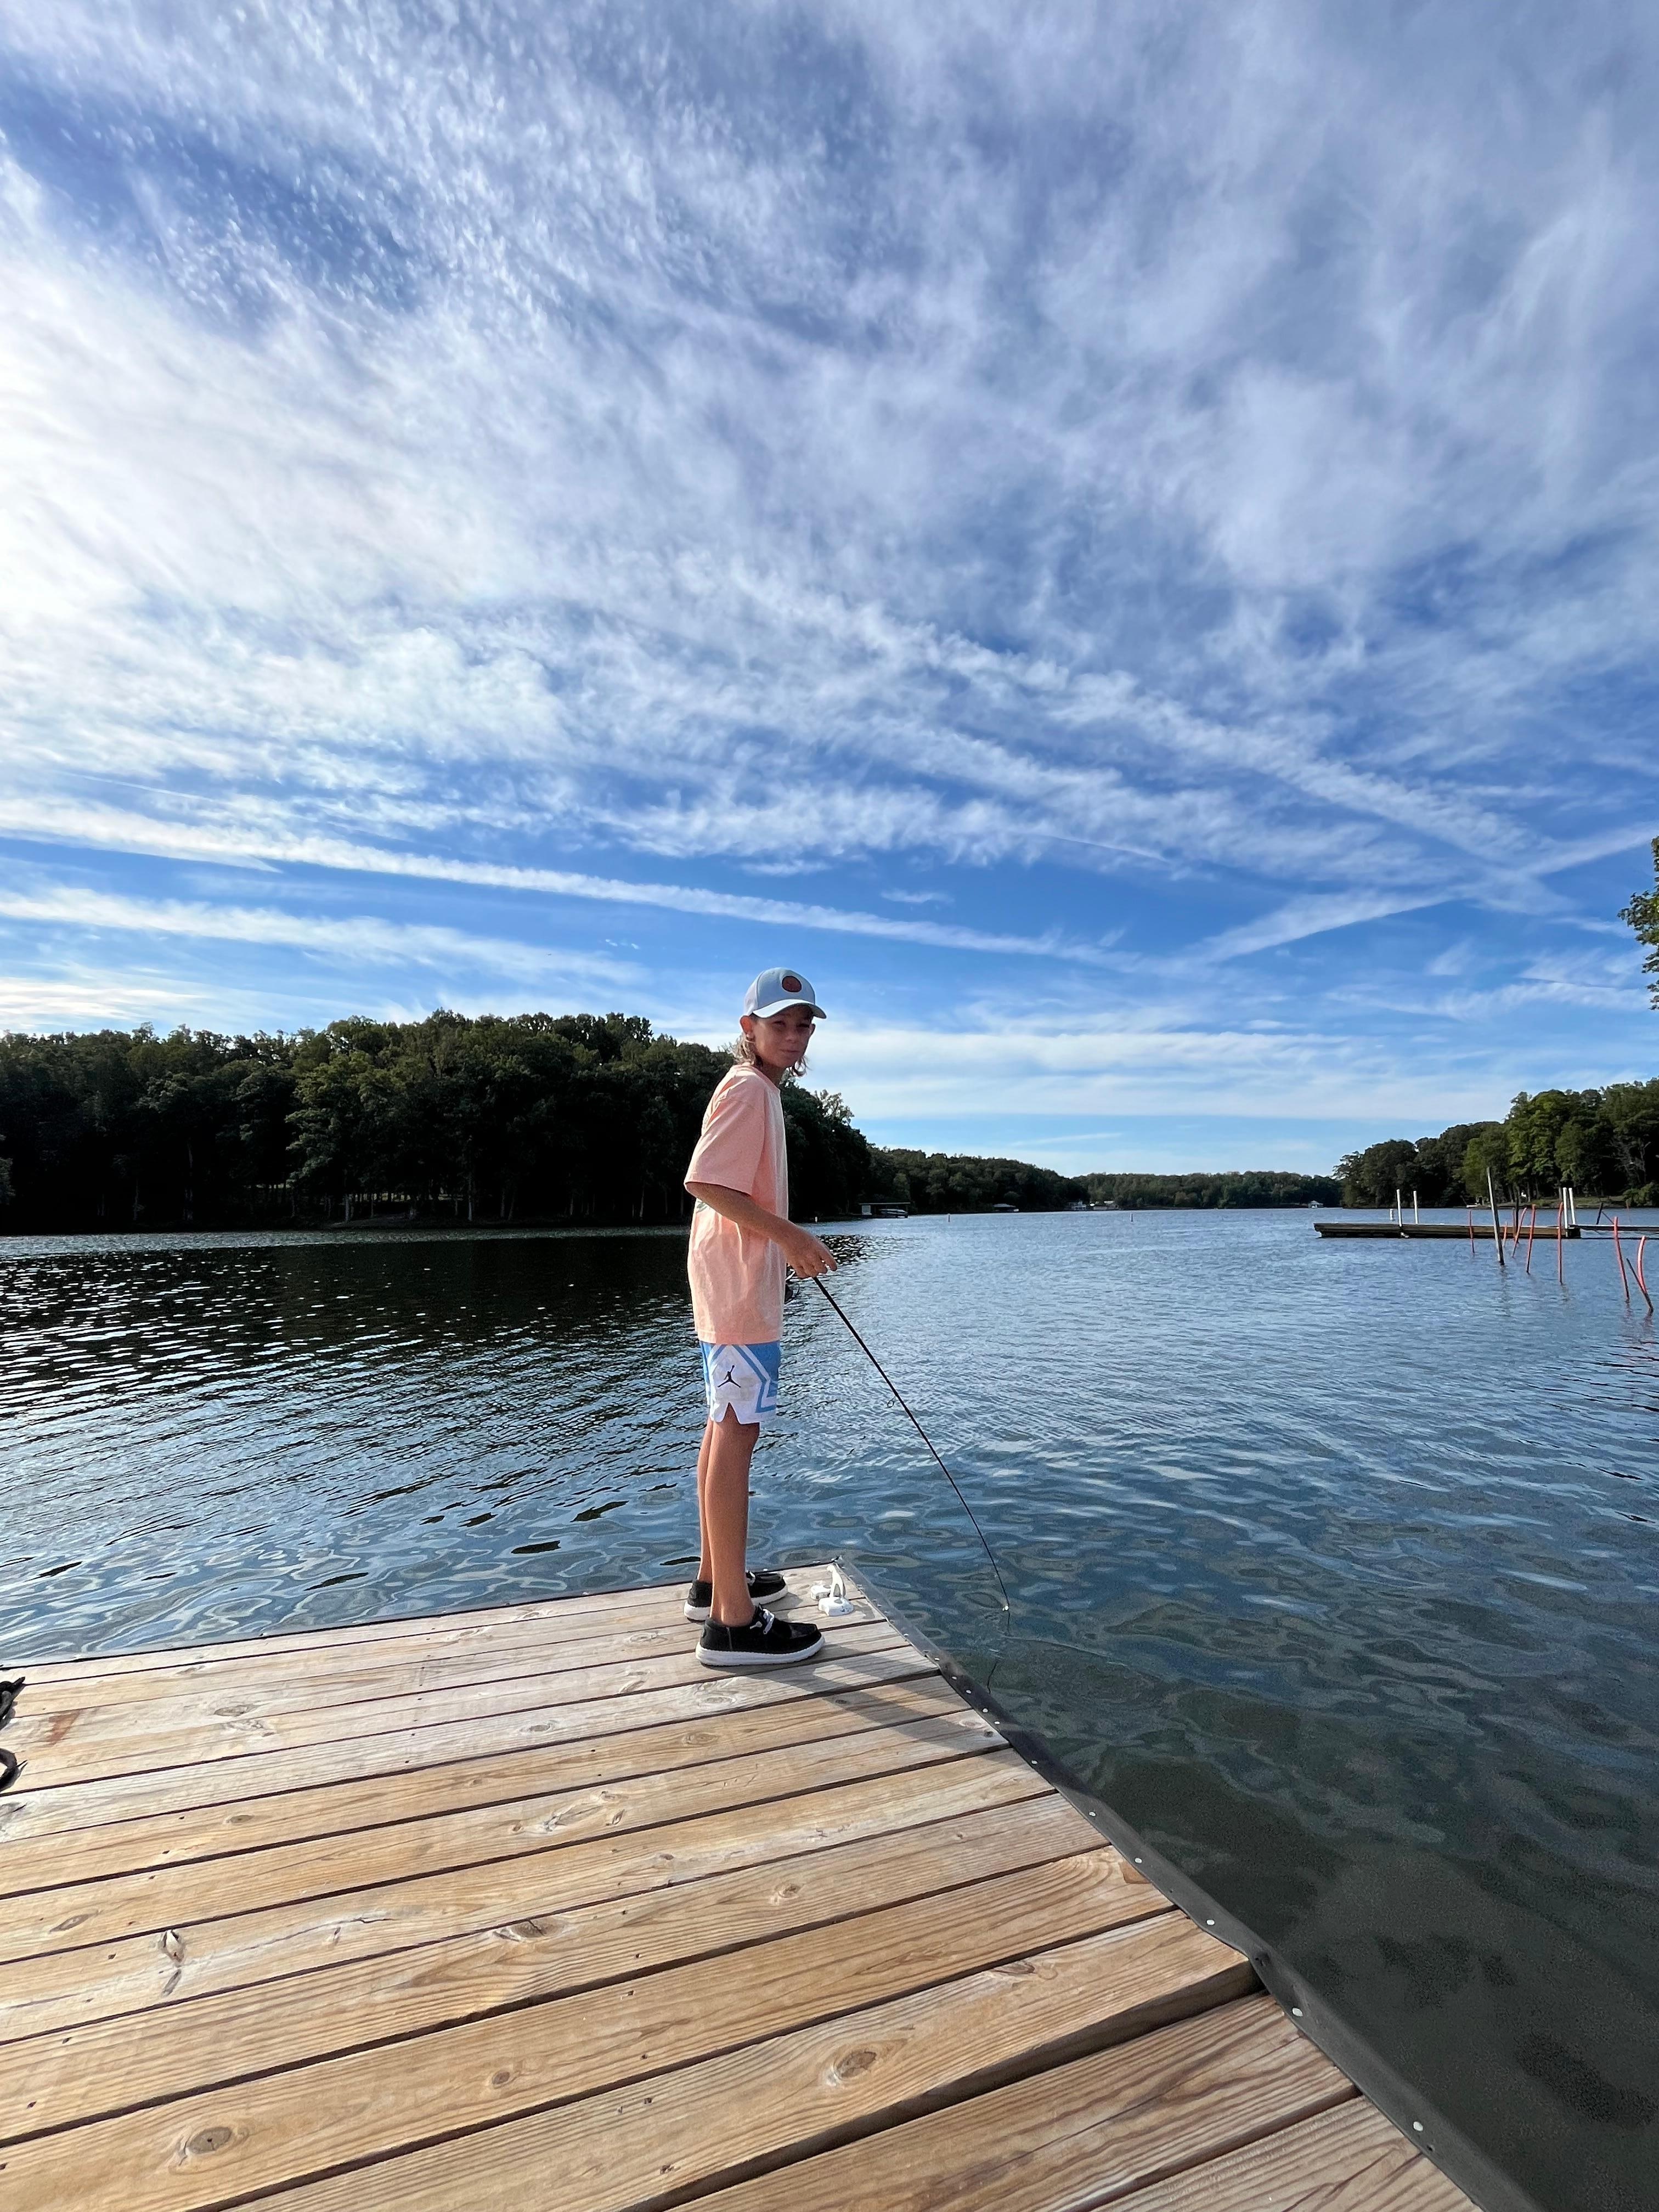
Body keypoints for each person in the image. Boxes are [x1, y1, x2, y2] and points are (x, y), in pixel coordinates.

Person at [682, 966, 838, 1666]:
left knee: (726, 1425)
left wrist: (782, 1243)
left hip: (734, 1282)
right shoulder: (748, 1088)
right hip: (738, 1287)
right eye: (780, 1024)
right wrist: (791, 1238)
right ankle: (732, 1625)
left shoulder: (761, 1089)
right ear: (749, 1028)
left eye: (804, 1024)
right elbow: (706, 1181)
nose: (795, 1035)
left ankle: (714, 1582)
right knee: (738, 1430)